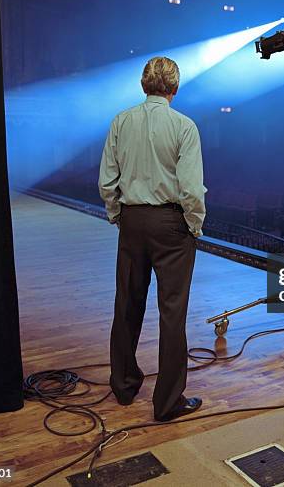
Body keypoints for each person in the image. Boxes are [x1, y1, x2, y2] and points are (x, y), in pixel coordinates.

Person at [98, 56, 206, 422]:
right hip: (170, 224)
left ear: (144, 85)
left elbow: (106, 180)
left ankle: (124, 384)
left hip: (132, 221)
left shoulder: (120, 121)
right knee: (172, 312)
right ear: (175, 88)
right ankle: (168, 402)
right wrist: (194, 225)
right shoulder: (184, 126)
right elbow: (191, 189)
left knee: (127, 304)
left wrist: (118, 214)